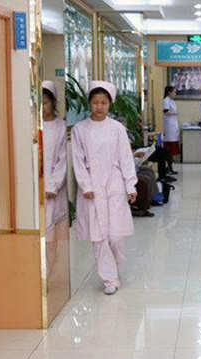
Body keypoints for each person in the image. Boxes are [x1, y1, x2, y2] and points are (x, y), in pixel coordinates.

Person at [72, 81, 137, 295]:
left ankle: (114, 269)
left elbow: (125, 157)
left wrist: (130, 185)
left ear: (110, 104)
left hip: (115, 183)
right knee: (99, 235)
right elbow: (78, 160)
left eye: (103, 102)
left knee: (115, 235)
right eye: (95, 102)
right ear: (89, 103)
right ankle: (109, 278)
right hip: (92, 187)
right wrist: (86, 185)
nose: (99, 106)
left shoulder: (117, 128)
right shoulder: (80, 129)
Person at [41, 81, 68, 275]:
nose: (42, 107)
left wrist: (53, 185)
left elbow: (62, 160)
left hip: (53, 190)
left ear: (53, 103)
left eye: (45, 103)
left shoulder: (60, 127)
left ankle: (49, 272)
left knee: (51, 235)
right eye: (39, 103)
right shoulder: (32, 125)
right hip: (36, 188)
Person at [162, 86, 179, 175]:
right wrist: (174, 113)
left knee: (171, 151)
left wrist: (174, 113)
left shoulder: (172, 101)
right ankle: (168, 168)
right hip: (169, 129)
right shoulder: (166, 100)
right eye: (174, 92)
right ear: (169, 92)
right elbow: (166, 112)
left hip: (173, 128)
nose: (175, 94)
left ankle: (170, 168)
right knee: (168, 150)